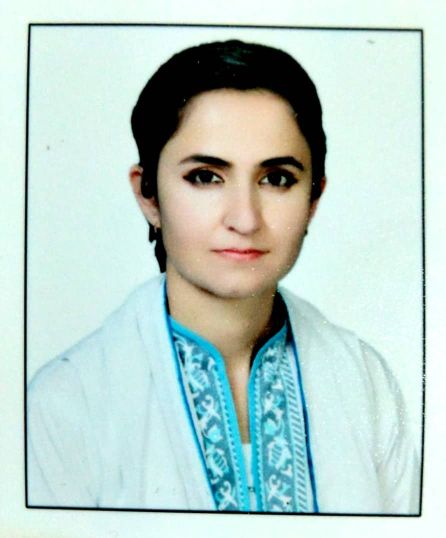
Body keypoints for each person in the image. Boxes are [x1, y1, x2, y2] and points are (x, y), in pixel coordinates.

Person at [27, 39, 420, 513]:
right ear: (148, 195)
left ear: (314, 198)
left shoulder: (365, 383)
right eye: (205, 177)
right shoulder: (66, 405)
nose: (245, 219)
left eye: (277, 179)